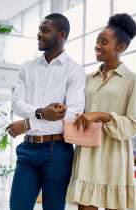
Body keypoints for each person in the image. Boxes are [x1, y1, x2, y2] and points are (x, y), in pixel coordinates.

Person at [6, 13, 86, 210]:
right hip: (27, 150)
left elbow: (71, 115)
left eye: (45, 30)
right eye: (40, 30)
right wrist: (42, 112)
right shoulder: (27, 68)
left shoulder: (74, 71)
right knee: (18, 207)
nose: (39, 34)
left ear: (61, 35)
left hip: (57, 151)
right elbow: (16, 103)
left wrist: (27, 123)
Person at [66, 13, 136, 210]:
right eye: (97, 41)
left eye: (104, 41)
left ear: (121, 47)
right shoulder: (88, 79)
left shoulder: (132, 80)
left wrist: (102, 115)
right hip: (88, 157)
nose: (97, 46)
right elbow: (79, 113)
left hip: (114, 159)